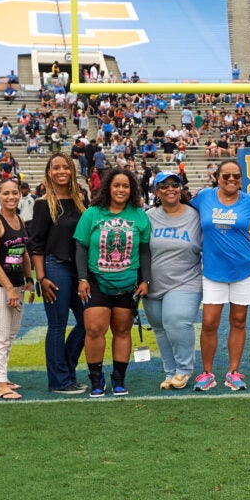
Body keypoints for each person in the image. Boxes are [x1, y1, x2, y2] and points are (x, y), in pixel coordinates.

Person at [74, 168, 151, 397]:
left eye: (125, 186)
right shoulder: (92, 213)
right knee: (95, 329)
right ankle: (96, 379)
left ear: (132, 190)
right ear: (108, 187)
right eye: (116, 185)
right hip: (97, 280)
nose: (121, 190)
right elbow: (81, 246)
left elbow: (145, 250)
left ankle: (119, 379)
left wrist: (145, 279)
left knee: (122, 329)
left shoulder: (139, 215)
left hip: (127, 283)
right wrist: (82, 278)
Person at [190, 158, 250, 391]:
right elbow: (184, 214)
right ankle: (207, 372)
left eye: (236, 176)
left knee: (239, 321)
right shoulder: (204, 197)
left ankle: (233, 371)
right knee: (209, 322)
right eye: (226, 176)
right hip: (213, 269)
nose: (231, 179)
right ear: (217, 178)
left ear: (241, 179)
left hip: (243, 268)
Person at [30, 153, 89, 394]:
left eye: (66, 167)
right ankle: (59, 381)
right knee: (57, 325)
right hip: (55, 267)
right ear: (49, 173)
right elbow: (36, 244)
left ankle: (66, 369)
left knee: (89, 321)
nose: (62, 171)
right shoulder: (43, 204)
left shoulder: (81, 201)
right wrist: (42, 278)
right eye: (56, 168)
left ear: (73, 172)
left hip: (80, 270)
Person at [143, 171, 202, 390]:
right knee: (159, 327)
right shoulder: (148, 216)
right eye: (164, 186)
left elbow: (216, 235)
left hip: (186, 279)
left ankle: (184, 369)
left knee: (176, 320)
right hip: (153, 282)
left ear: (181, 188)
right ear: (156, 192)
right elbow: (140, 249)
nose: (170, 189)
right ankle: (170, 372)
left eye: (174, 184)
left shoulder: (195, 215)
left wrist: (244, 236)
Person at [0, 178, 33, 400]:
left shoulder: (19, 218)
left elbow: (23, 252)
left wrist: (29, 279)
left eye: (14, 193)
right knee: (1, 334)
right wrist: (9, 288)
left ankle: (0, 374)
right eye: (6, 193)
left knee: (10, 333)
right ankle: (1, 384)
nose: (11, 197)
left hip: (17, 284)